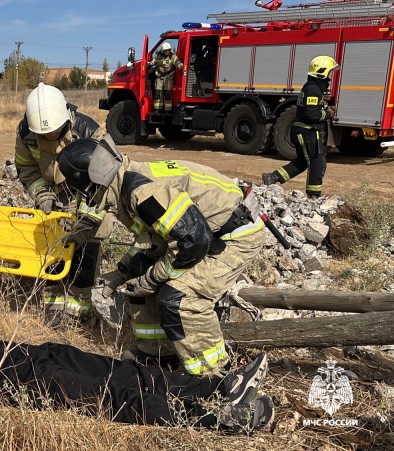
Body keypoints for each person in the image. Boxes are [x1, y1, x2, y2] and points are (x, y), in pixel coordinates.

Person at [57, 135, 266, 376]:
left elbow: (192, 243)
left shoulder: (142, 192)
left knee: (180, 298)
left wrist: (152, 279)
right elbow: (156, 239)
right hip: (207, 233)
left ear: (90, 184)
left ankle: (216, 376)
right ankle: (157, 352)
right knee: (138, 272)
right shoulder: (126, 181)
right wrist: (121, 273)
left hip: (235, 236)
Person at [0, 329, 274, 433]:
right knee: (115, 396)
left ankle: (219, 388)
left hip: (28, 354)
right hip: (20, 382)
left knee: (120, 370)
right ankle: (221, 419)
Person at [14, 82, 108, 326]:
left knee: (85, 258)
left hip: (90, 198)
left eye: (54, 131)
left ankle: (81, 314)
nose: (49, 137)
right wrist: (43, 195)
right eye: (43, 134)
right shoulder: (26, 133)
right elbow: (26, 168)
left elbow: (107, 176)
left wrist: (87, 218)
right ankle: (55, 314)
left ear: (66, 119)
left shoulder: (89, 131)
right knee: (53, 257)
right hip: (55, 200)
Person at [262, 56, 340, 198]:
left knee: (303, 162)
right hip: (307, 132)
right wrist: (327, 113)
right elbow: (311, 114)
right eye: (329, 72)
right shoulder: (313, 89)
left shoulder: (313, 88)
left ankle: (273, 177)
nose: (330, 76)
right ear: (321, 72)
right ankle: (313, 196)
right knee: (317, 163)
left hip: (307, 131)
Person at [149, 42, 184, 112]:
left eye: (168, 50)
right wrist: (150, 63)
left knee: (167, 93)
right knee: (158, 92)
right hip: (159, 76)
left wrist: (181, 67)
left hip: (169, 77)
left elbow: (177, 62)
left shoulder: (172, 56)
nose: (167, 51)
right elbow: (154, 61)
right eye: (165, 50)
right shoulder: (159, 56)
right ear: (162, 51)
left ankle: (167, 110)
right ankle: (158, 108)